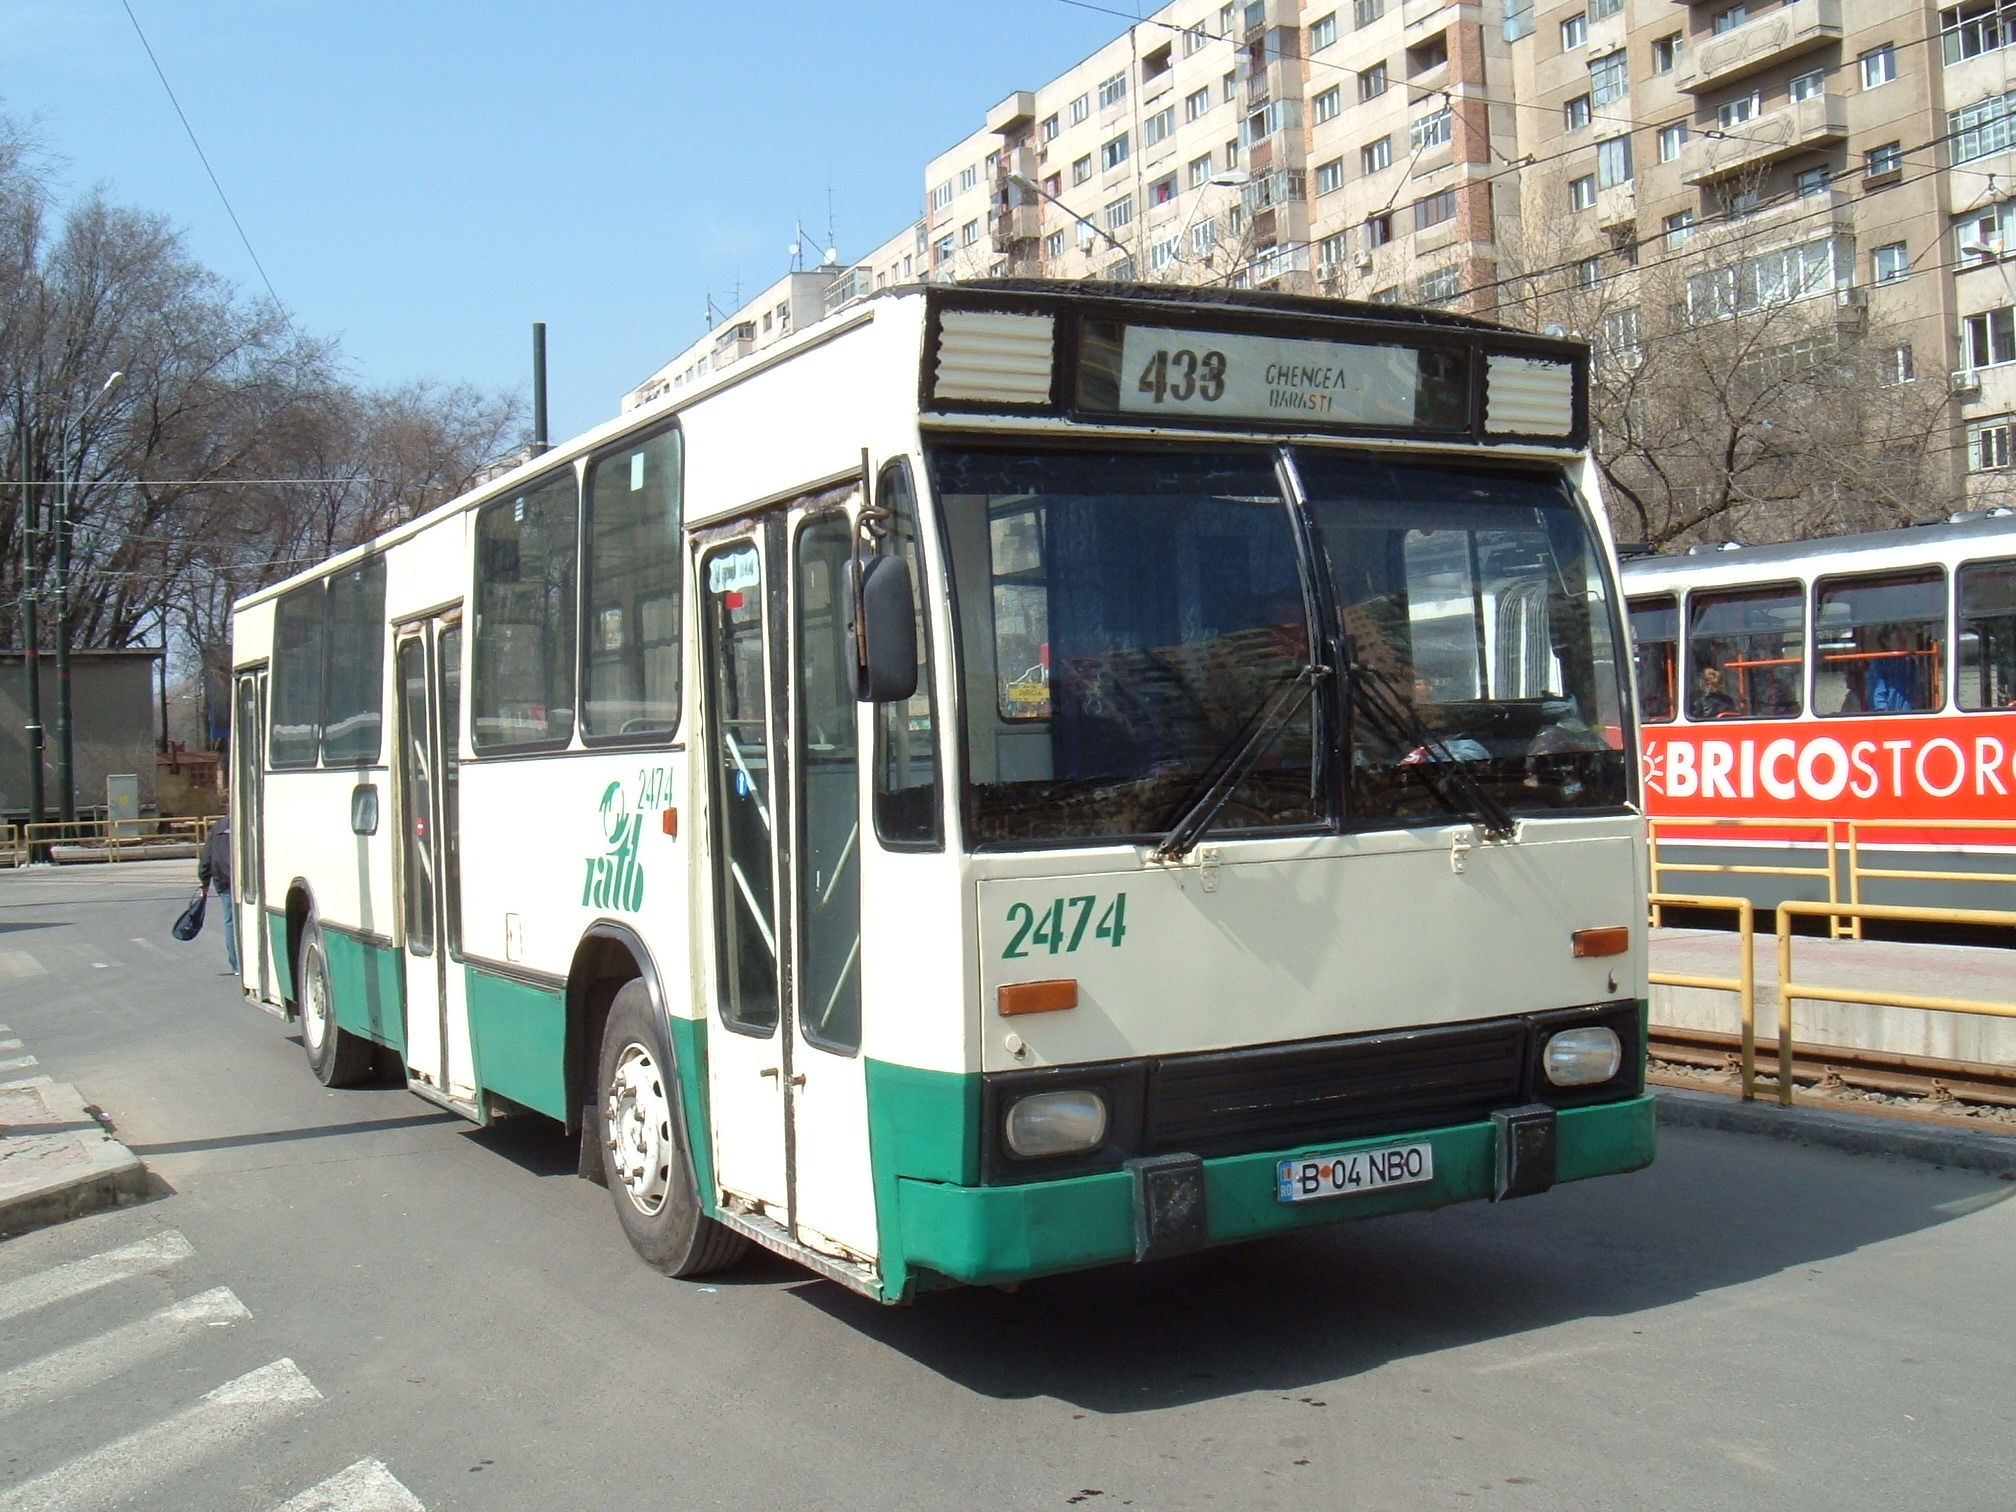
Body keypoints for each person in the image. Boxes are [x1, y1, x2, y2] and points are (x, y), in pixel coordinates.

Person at [198, 814, 236, 975]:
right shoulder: (249, 820)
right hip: (247, 881)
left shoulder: (218, 826)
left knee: (230, 922)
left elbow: (207, 857)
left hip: (224, 881)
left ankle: (236, 965)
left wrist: (204, 881)